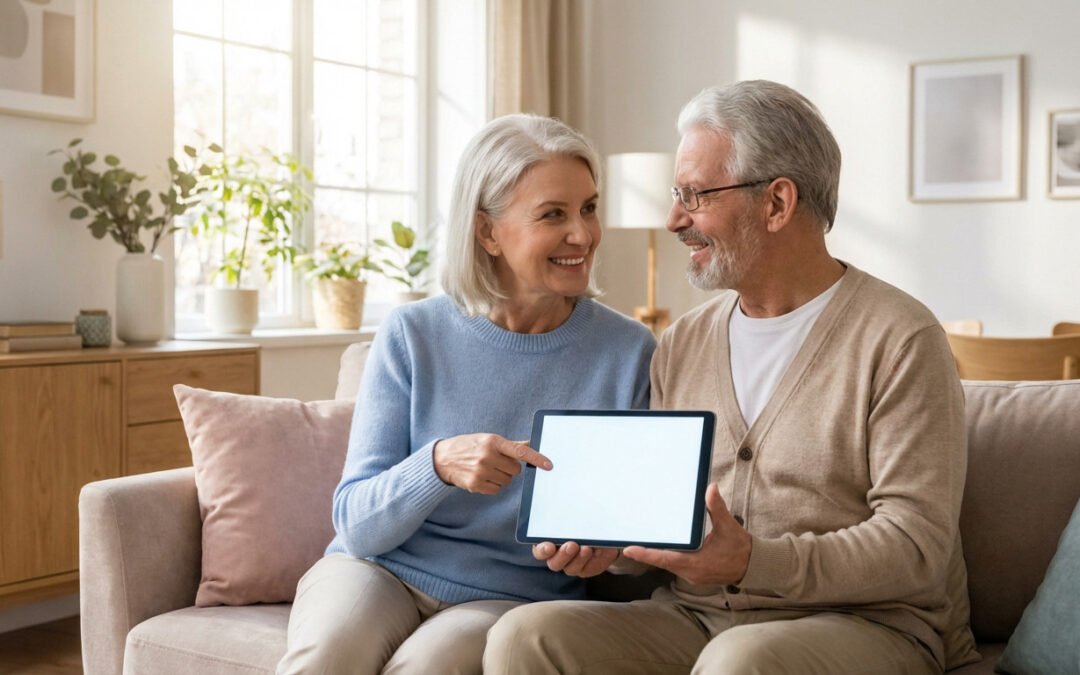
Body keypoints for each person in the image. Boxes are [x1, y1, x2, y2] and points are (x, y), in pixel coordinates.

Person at [484, 80, 979, 674]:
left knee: (738, 662)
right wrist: (613, 547)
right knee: (525, 637)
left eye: (694, 195)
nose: (672, 219)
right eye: (676, 195)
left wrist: (752, 563)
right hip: (697, 619)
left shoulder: (900, 337)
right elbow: (664, 518)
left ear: (777, 203)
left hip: (869, 623)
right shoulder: (684, 341)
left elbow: (917, 546)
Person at [275, 114, 655, 675]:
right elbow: (355, 524)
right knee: (326, 658)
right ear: (487, 232)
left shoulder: (628, 352)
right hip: (376, 570)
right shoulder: (412, 334)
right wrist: (436, 464)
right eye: (554, 214)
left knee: (428, 668)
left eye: (589, 208)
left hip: (509, 597)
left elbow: (635, 539)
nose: (583, 234)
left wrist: (607, 556)